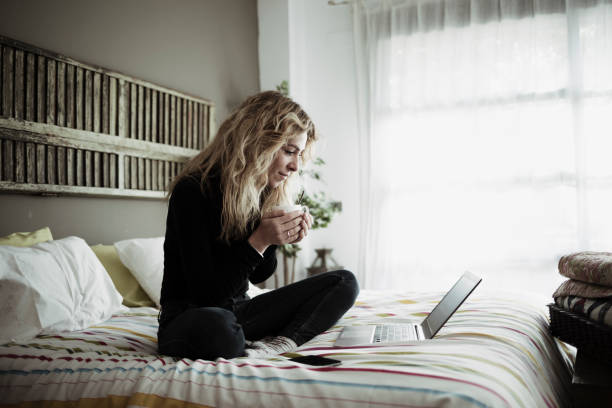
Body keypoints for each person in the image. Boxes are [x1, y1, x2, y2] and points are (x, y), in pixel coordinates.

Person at [157, 90, 359, 360]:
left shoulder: (258, 192)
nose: (295, 166)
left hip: (240, 312)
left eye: (298, 155)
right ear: (258, 142)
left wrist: (275, 238)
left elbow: (258, 276)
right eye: (289, 152)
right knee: (220, 328)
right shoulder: (193, 190)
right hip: (189, 317)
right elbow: (207, 295)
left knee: (344, 281)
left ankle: (277, 345)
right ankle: (241, 340)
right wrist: (260, 240)